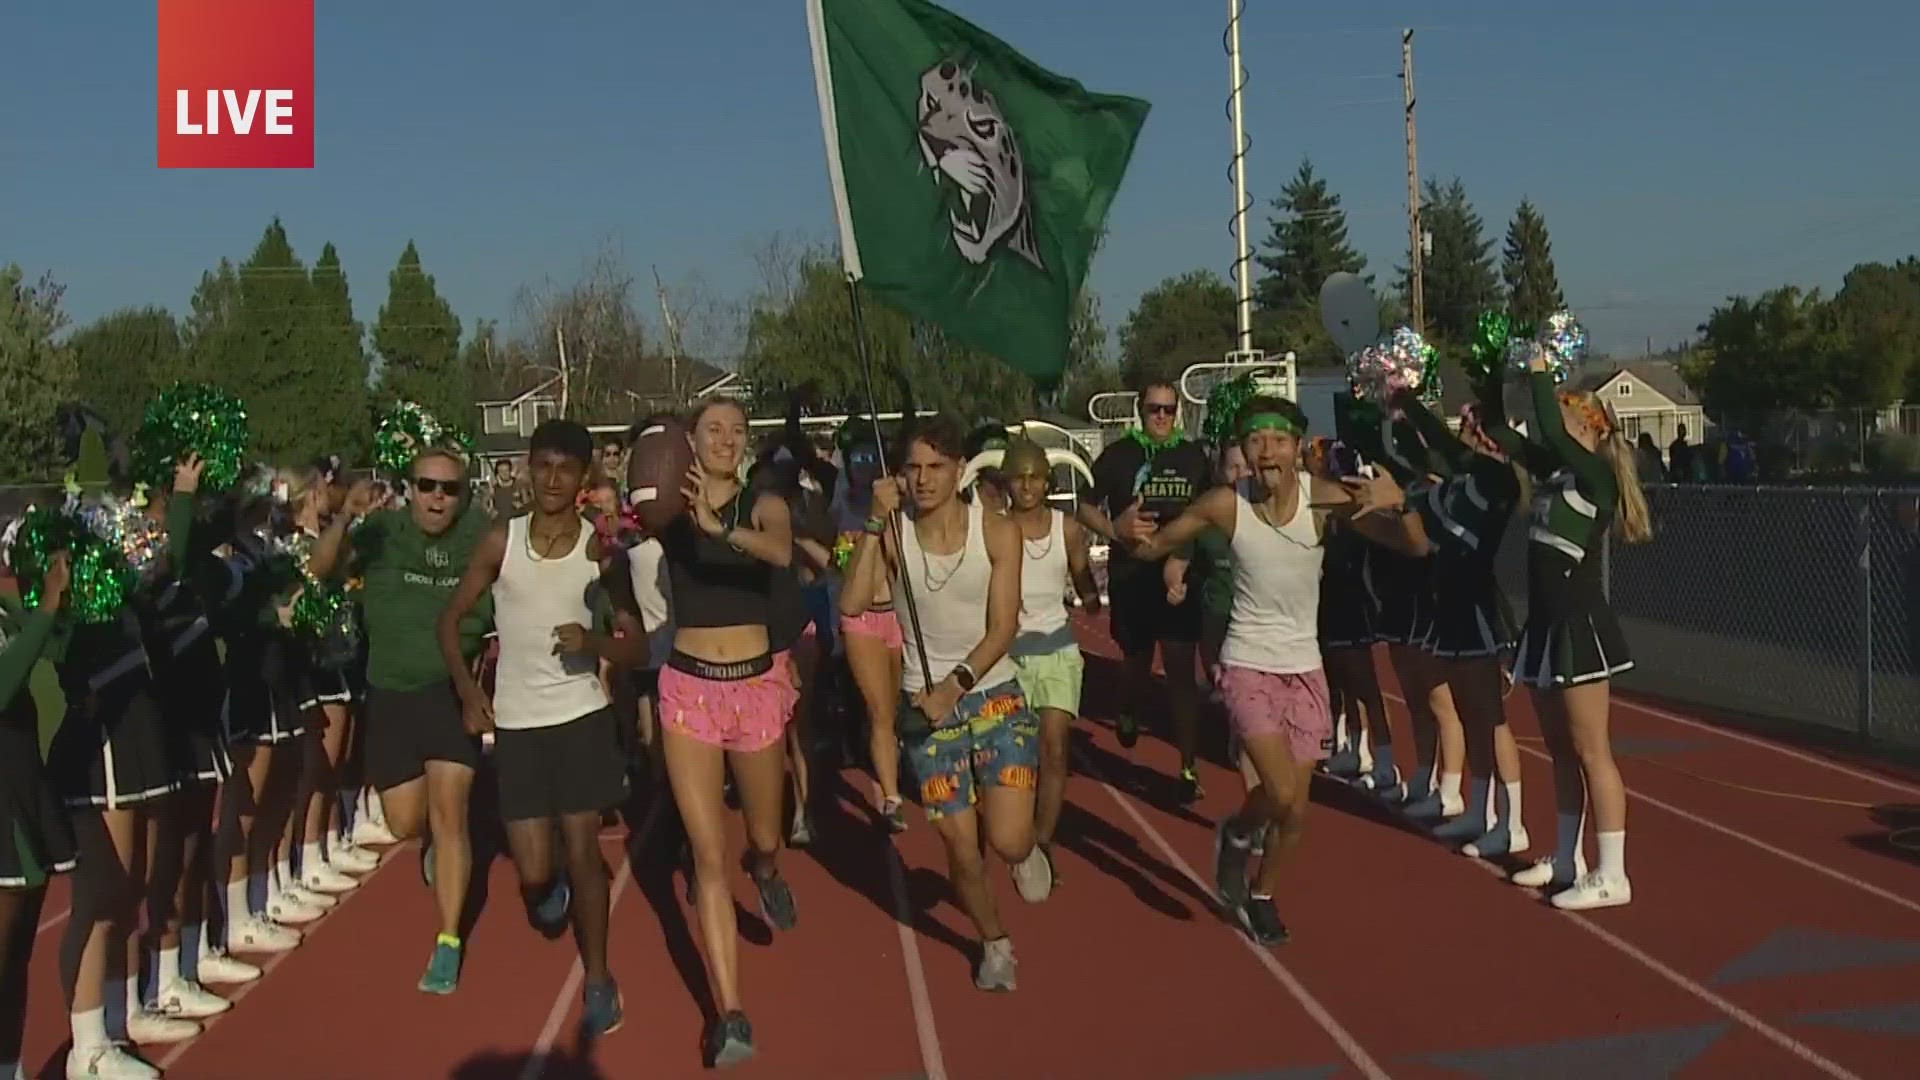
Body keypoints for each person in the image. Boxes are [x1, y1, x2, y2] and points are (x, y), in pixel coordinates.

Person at [1122, 398, 1429, 944]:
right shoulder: (1224, 504)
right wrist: (1121, 529)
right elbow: (1150, 549)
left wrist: (1399, 505)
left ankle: (1256, 880)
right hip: (1246, 662)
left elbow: (1416, 546)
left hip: (1304, 668)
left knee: (1295, 812)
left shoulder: (1327, 501)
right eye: (1255, 442)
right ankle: (1242, 838)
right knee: (1281, 792)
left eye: (1278, 441)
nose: (1267, 452)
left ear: (1296, 449)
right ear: (1244, 450)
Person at [439, 419, 643, 1041]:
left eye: (565, 469)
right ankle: (547, 888)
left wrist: (595, 640)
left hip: (580, 716)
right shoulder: (502, 541)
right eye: (542, 466)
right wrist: (470, 694)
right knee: (532, 874)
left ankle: (601, 980)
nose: (552, 480)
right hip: (519, 725)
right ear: (527, 469)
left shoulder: (599, 551)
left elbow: (636, 647)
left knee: (584, 847)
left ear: (584, 479)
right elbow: (450, 624)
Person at [842, 415, 1050, 991]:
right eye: (913, 467)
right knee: (961, 852)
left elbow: (1003, 627)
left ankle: (1026, 849)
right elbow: (855, 601)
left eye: (936, 466)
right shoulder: (892, 533)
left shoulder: (997, 530)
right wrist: (872, 522)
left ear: (959, 471)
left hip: (992, 697)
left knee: (1005, 839)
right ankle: (994, 943)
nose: (924, 478)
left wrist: (952, 687)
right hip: (926, 717)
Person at [308, 447, 493, 994]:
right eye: (428, 485)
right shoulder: (379, 531)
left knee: (451, 813)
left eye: (449, 489)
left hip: (450, 691)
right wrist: (344, 517)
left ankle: (449, 940)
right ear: (410, 487)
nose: (437, 497)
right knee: (406, 822)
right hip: (389, 696)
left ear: (464, 495)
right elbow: (319, 571)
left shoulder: (481, 536)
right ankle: (430, 843)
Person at [648, 397, 799, 1068]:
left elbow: (779, 549)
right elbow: (627, 523)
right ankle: (731, 1012)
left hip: (756, 688)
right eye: (713, 428)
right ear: (691, 437)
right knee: (707, 856)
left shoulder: (764, 502)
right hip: (689, 692)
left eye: (736, 431)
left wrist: (719, 528)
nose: (725, 439)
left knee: (763, 834)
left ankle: (764, 869)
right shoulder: (669, 507)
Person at [1488, 355, 1653, 909]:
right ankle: (1566, 857)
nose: (1544, 428)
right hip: (1546, 624)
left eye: (1559, 418)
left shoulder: (1595, 477)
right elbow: (1496, 434)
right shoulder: (1559, 473)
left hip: (1580, 627)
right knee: (1559, 751)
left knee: (1591, 750)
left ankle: (1613, 873)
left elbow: (1550, 431)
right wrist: (1491, 370)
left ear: (1586, 427)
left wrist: (1539, 370)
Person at [1395, 391, 1530, 858]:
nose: (1465, 434)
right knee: (1471, 716)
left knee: (1489, 717)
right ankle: (1479, 809)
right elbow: (1429, 443)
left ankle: (1513, 822)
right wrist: (1402, 404)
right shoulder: (1466, 473)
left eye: (1475, 427)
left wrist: (1411, 404)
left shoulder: (1498, 479)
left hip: (1476, 606)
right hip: (1448, 602)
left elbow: (1463, 535)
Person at [1078, 380, 1214, 802]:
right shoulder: (1118, 455)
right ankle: (1128, 708)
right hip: (1130, 577)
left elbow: (1211, 510)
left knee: (1180, 670)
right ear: (1140, 410)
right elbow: (1084, 505)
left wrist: (1183, 557)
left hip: (1179, 576)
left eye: (1169, 410)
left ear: (1178, 413)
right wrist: (1114, 531)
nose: (1161, 417)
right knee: (1136, 663)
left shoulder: (1193, 457)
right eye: (1154, 409)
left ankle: (1188, 765)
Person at [995, 439, 1100, 876]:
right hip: (1009, 656)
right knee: (1015, 754)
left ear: (1047, 481)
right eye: (1018, 478)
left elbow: (1082, 577)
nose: (1026, 486)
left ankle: (1042, 840)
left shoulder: (1067, 528)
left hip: (1057, 653)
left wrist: (1093, 600)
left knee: (1055, 748)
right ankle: (1010, 828)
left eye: (1034, 478)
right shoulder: (994, 528)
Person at [1, 550, 74, 1080]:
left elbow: (54, 647)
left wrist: (52, 602)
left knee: (15, 964)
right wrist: (46, 608)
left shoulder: (4, 606)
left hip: (22, 788)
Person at [832, 425, 910, 831]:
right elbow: (823, 552)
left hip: (895, 614)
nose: (862, 466)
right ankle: (892, 796)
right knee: (879, 709)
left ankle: (888, 760)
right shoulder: (839, 505)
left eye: (869, 458)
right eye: (855, 459)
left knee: (894, 708)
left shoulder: (900, 506)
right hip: (860, 617)